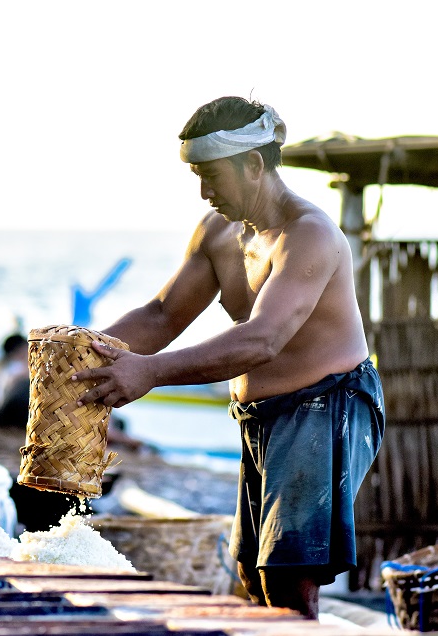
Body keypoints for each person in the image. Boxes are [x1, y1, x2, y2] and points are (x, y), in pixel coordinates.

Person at [73, 96, 385, 619]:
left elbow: (261, 341)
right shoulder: (218, 232)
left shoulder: (309, 235)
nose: (204, 191)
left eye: (212, 176)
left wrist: (149, 372)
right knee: (249, 573)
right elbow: (162, 316)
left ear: (254, 165)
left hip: (327, 406)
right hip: (259, 417)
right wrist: (80, 355)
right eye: (198, 177)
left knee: (287, 577)